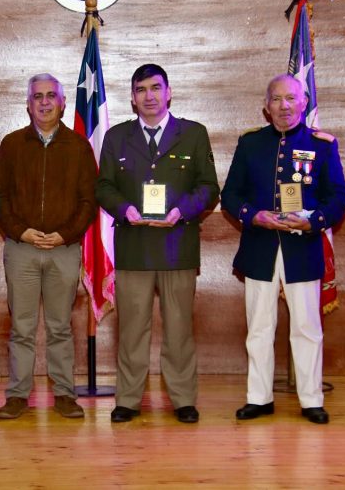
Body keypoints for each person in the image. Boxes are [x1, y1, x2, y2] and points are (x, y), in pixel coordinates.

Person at [220, 74, 345, 424]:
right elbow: (230, 195)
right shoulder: (250, 144)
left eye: (291, 98)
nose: (284, 106)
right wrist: (254, 215)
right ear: (266, 106)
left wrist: (313, 221)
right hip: (260, 247)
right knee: (259, 326)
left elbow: (339, 197)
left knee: (307, 326)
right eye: (276, 99)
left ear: (304, 102)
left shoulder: (322, 145)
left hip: (303, 248)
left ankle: (311, 399)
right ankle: (259, 398)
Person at [96, 64, 219, 424]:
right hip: (134, 247)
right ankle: (128, 400)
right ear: (132, 98)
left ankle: (182, 398)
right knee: (132, 329)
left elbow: (209, 187)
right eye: (141, 90)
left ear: (169, 92)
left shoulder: (193, 134)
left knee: (179, 328)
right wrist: (125, 208)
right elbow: (103, 187)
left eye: (155, 88)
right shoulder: (117, 137)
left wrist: (182, 211)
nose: (149, 96)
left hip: (177, 246)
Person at [0, 73, 97, 419]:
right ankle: (17, 395)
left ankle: (65, 394)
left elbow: (88, 201)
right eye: (37, 96)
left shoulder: (79, 147)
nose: (44, 101)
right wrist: (20, 231)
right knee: (22, 326)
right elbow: (0, 198)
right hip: (21, 249)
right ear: (28, 103)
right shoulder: (11, 145)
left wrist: (65, 235)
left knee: (59, 327)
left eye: (51, 95)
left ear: (63, 102)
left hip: (63, 251)